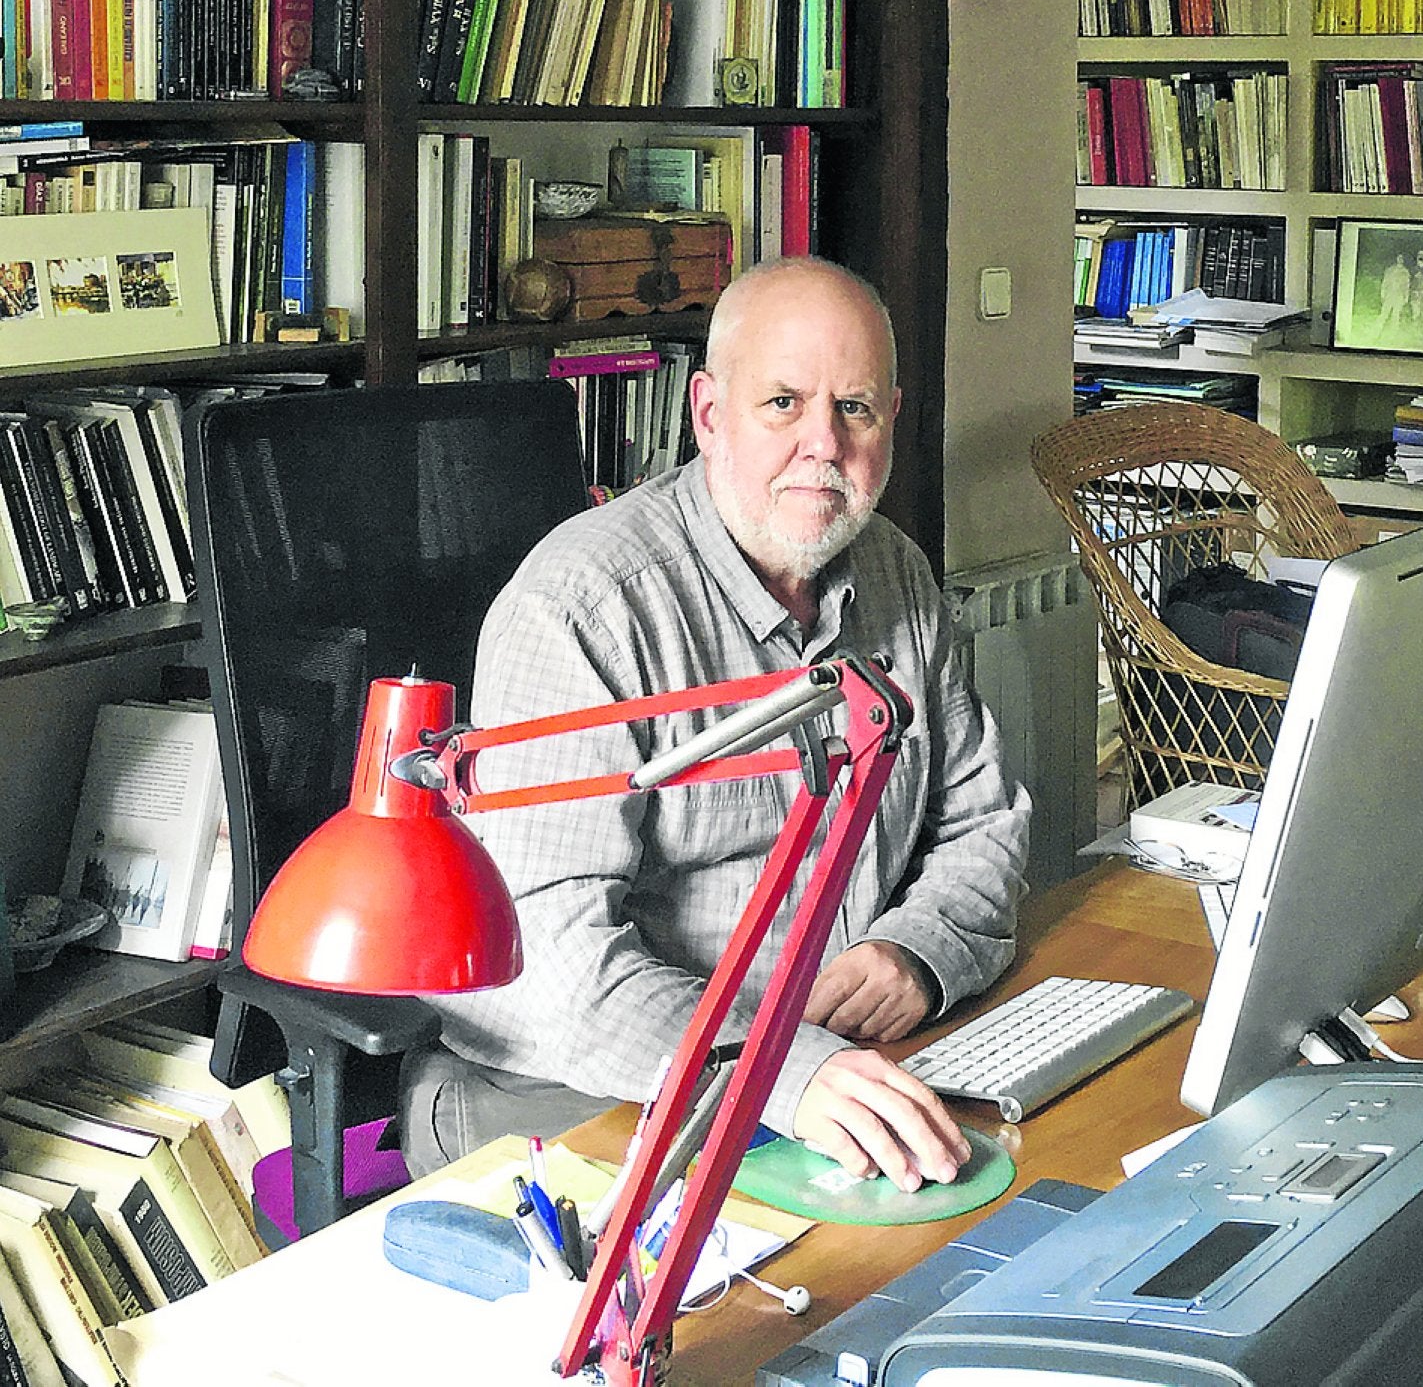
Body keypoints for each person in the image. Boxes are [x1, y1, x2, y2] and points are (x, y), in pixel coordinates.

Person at [401, 257, 1032, 1196]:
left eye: (855, 409)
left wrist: (919, 950)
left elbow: (984, 822)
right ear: (706, 414)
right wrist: (782, 1066)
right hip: (582, 1097)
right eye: (782, 403)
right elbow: (546, 968)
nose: (824, 443)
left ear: (892, 418)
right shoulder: (581, 612)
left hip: (842, 1071)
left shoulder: (893, 572)